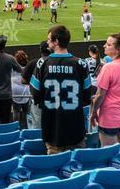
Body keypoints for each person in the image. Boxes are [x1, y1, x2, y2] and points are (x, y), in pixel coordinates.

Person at [31, 25, 91, 154]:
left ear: (56, 41)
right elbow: (87, 95)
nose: (47, 42)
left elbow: (35, 93)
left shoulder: (42, 63)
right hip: (75, 125)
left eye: (49, 39)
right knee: (77, 166)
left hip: (52, 126)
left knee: (55, 165)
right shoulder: (81, 63)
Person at [89, 32, 120, 146]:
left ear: (118, 49)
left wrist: (93, 113)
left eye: (108, 44)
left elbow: (100, 95)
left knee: (108, 153)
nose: (104, 46)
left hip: (110, 118)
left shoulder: (108, 67)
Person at [21, 41, 51, 129]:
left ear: (41, 50)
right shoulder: (57, 62)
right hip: (53, 100)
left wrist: (34, 83)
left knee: (37, 126)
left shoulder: (33, 63)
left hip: (38, 101)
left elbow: (23, 80)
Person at [12, 50, 30, 129]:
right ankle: (25, 128)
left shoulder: (12, 67)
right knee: (26, 111)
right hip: (25, 89)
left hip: (15, 90)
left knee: (16, 111)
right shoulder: (28, 67)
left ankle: (16, 128)